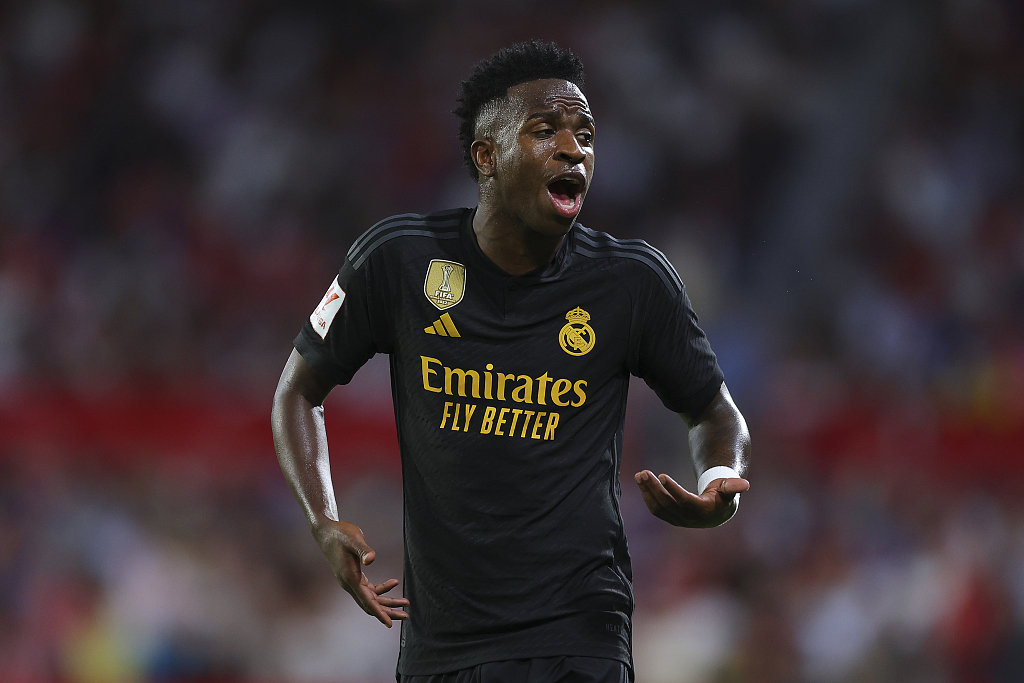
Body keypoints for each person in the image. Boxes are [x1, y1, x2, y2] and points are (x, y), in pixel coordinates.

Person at [271, 41, 750, 683]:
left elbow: (716, 411)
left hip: (580, 635)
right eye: (545, 130)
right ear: (486, 155)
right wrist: (323, 521)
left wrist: (720, 478)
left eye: (585, 133)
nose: (572, 148)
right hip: (444, 644)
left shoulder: (632, 282)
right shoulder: (398, 260)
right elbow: (297, 391)